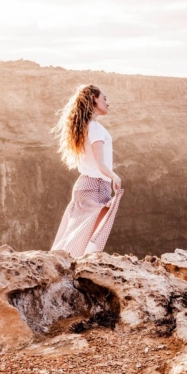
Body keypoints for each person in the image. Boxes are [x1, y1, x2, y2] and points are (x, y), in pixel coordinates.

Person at [50, 84, 124, 257]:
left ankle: (59, 260)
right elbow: (100, 163)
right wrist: (115, 177)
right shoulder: (96, 128)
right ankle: (74, 264)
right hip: (97, 186)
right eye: (104, 98)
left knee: (75, 232)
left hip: (84, 184)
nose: (107, 103)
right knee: (90, 235)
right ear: (93, 99)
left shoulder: (86, 125)